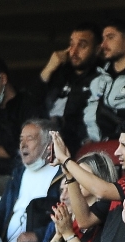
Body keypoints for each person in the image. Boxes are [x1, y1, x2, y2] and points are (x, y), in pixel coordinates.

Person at [0, 117, 60, 242]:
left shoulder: (61, 176)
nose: (23, 144)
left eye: (30, 139)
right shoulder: (18, 174)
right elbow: (1, 210)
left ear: (48, 145)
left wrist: (37, 235)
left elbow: (68, 218)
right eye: (21, 139)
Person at [39, 22, 101, 152]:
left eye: (82, 45)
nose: (74, 51)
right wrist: (49, 68)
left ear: (97, 49)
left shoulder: (101, 78)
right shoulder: (60, 72)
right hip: (47, 142)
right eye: (71, 44)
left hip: (79, 146)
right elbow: (31, 102)